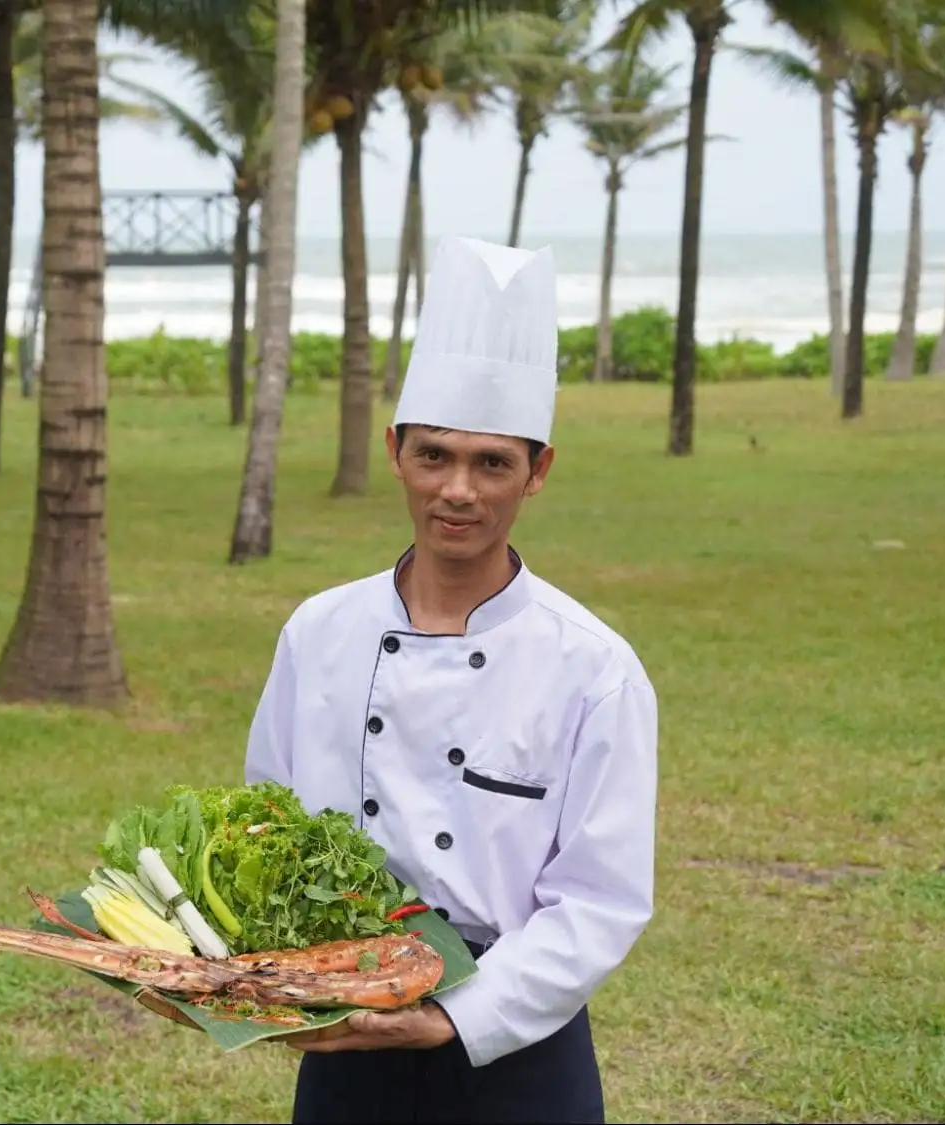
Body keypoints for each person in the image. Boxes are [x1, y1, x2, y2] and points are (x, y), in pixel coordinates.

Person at [241, 235, 659, 1124]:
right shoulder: (319, 632)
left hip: (517, 1041)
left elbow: (598, 898)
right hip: (346, 1025)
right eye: (433, 455)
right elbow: (263, 822)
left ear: (537, 471)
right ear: (395, 450)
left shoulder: (592, 666)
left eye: (491, 462)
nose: (457, 490)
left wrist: (447, 1014)